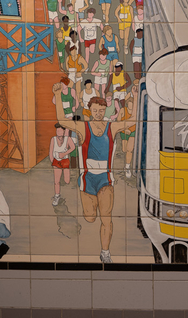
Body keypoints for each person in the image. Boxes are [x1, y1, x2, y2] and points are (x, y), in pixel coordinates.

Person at [52, 84, 135, 264]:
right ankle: (91, 210)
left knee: (107, 218)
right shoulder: (83, 128)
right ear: (90, 111)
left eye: (101, 110)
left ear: (105, 110)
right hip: (87, 181)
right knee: (90, 218)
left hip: (105, 180)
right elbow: (60, 118)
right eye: (95, 110)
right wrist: (58, 94)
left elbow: (133, 120)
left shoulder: (111, 128)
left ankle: (105, 252)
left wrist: (134, 98)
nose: (98, 113)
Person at [50, 124, 76, 206]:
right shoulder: (53, 139)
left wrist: (64, 153)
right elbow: (50, 151)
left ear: (64, 131)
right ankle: (57, 195)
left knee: (67, 181)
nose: (58, 132)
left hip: (65, 161)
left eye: (60, 130)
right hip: (56, 161)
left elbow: (73, 147)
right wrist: (52, 162)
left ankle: (65, 178)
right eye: (57, 130)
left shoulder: (67, 139)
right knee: (56, 181)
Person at [121, 86, 138, 178]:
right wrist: (124, 129)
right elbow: (118, 121)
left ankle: (127, 167)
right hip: (124, 132)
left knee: (129, 149)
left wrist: (135, 95)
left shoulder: (135, 112)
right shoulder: (123, 110)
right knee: (124, 149)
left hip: (133, 132)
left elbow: (134, 117)